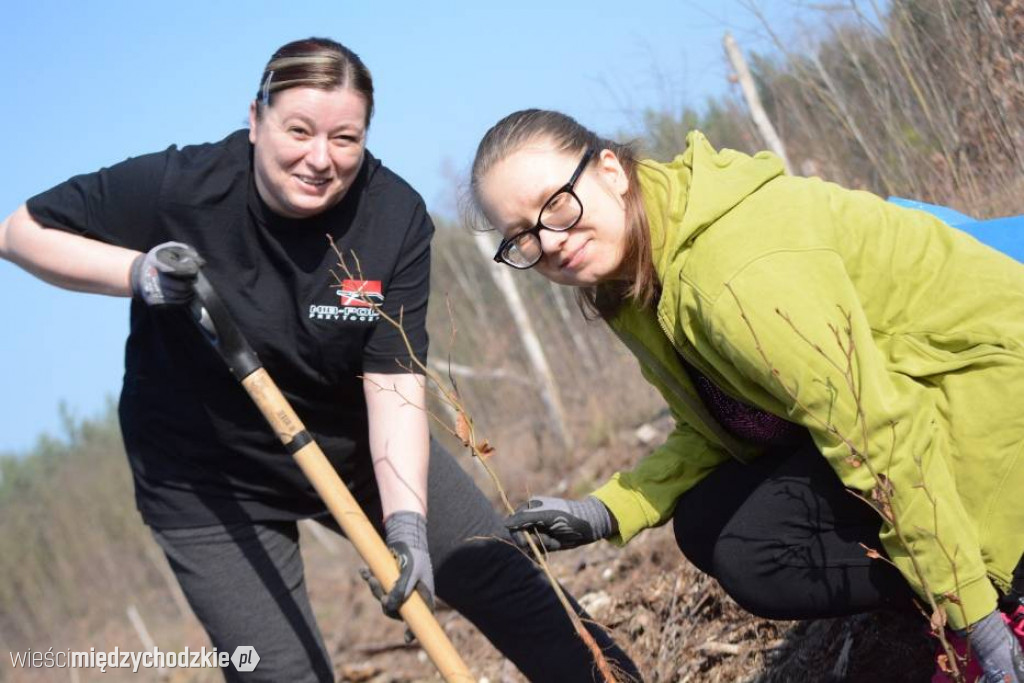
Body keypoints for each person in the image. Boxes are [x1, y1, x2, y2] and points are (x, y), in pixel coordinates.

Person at [0, 44, 640, 682]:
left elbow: (393, 385)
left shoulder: (391, 218)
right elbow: (20, 232)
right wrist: (136, 271)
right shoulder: (181, 187)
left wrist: (408, 526)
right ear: (256, 120)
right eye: (298, 130)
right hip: (205, 479)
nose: (319, 157)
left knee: (509, 584)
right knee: (279, 673)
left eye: (345, 137)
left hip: (356, 442)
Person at [468, 108, 1024, 682]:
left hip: (991, 394)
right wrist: (609, 509)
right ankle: (950, 591)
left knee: (756, 549)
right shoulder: (643, 268)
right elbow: (723, 420)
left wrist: (976, 620)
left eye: (556, 203)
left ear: (610, 169)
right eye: (523, 237)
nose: (551, 241)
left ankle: (1001, 587)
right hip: (921, 392)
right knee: (709, 518)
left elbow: (877, 434)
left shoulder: (731, 274)